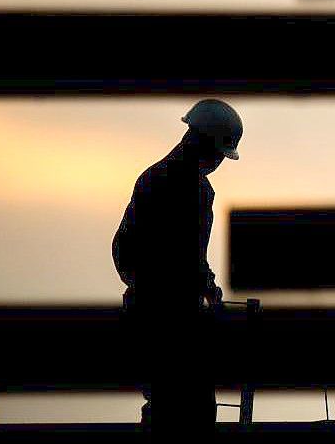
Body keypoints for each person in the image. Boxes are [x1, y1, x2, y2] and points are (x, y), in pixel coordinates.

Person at [112, 99, 243, 429]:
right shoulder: (196, 190)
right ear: (210, 147)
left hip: (147, 315)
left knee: (161, 404)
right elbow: (189, 256)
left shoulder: (152, 177)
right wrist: (206, 289)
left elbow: (122, 250)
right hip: (175, 324)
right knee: (191, 409)